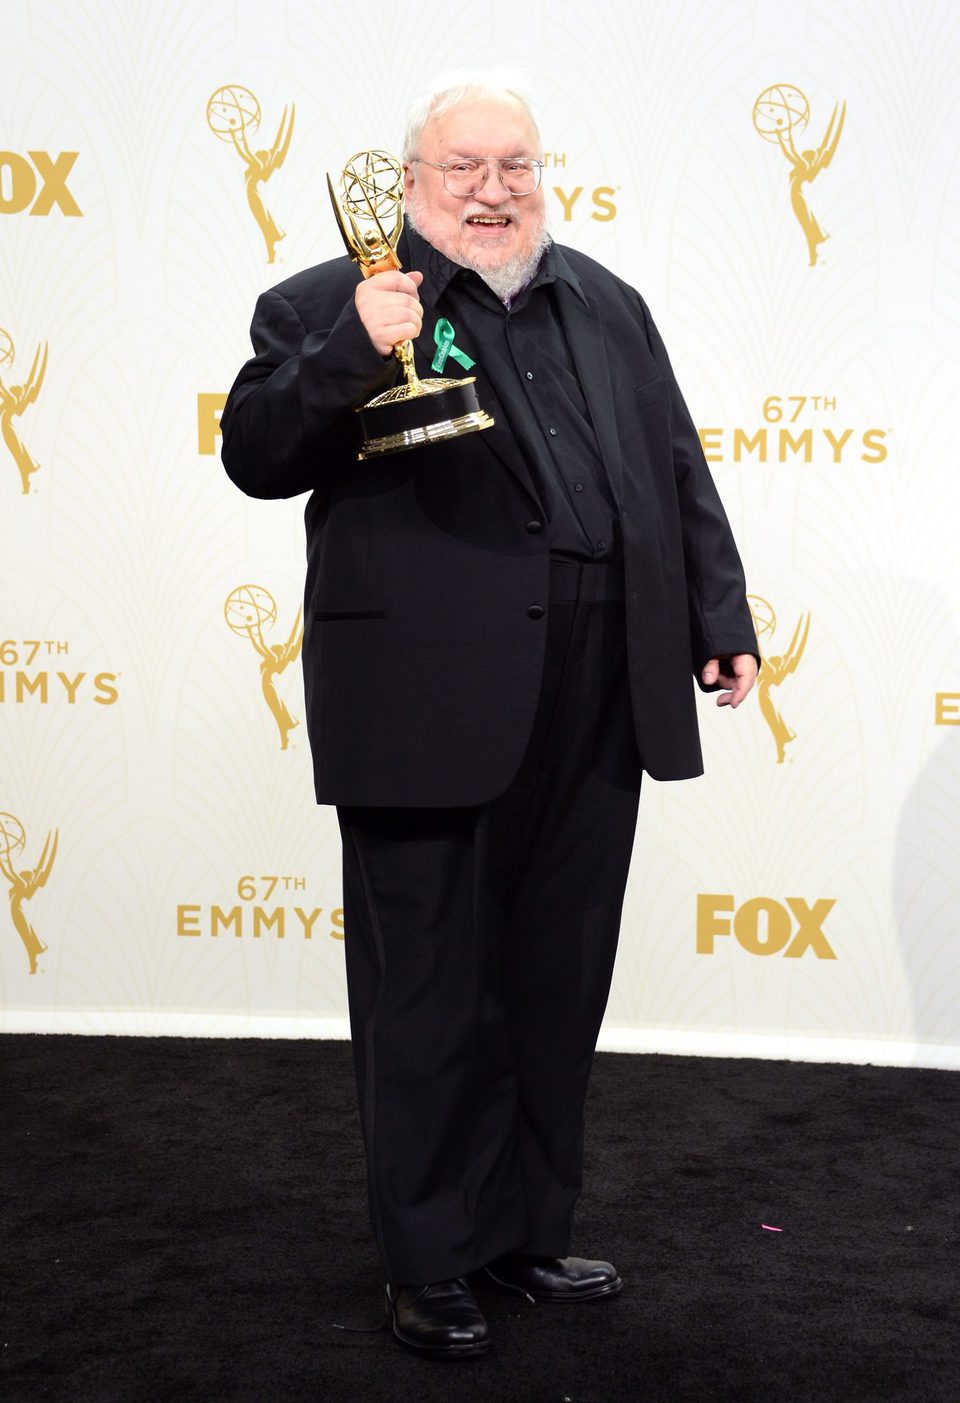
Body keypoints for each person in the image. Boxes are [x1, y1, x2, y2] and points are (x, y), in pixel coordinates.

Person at [221, 71, 758, 1360]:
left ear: (542, 175)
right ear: (408, 184)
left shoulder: (606, 303)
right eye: (462, 168)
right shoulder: (323, 301)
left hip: (599, 675)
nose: (492, 190)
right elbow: (253, 451)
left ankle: (521, 1230)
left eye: (513, 166)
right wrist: (358, 343)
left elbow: (673, 463)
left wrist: (718, 612)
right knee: (430, 995)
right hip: (428, 693)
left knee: (553, 979)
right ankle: (429, 1258)